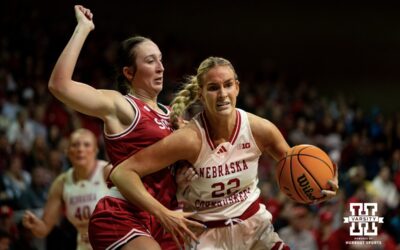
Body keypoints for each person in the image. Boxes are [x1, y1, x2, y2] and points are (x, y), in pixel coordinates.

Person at [110, 56, 339, 249]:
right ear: (200, 94)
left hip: (255, 230)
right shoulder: (189, 140)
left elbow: (298, 170)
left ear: (237, 87)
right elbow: (122, 172)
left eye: (228, 85)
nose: (222, 94)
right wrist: (163, 213)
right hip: (206, 237)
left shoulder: (260, 129)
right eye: (213, 88)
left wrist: (322, 188)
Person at [47, 5, 201, 250]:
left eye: (161, 60)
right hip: (123, 214)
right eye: (151, 61)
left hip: (163, 216)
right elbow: (59, 85)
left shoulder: (172, 115)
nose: (161, 67)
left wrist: (182, 178)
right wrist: (83, 29)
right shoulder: (122, 105)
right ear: (129, 72)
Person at [22, 128, 111, 250]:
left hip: (113, 244)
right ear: (68, 152)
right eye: (75, 145)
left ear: (95, 150)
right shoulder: (62, 182)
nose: (80, 149)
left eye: (86, 145)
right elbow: (44, 229)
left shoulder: (107, 172)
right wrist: (35, 225)